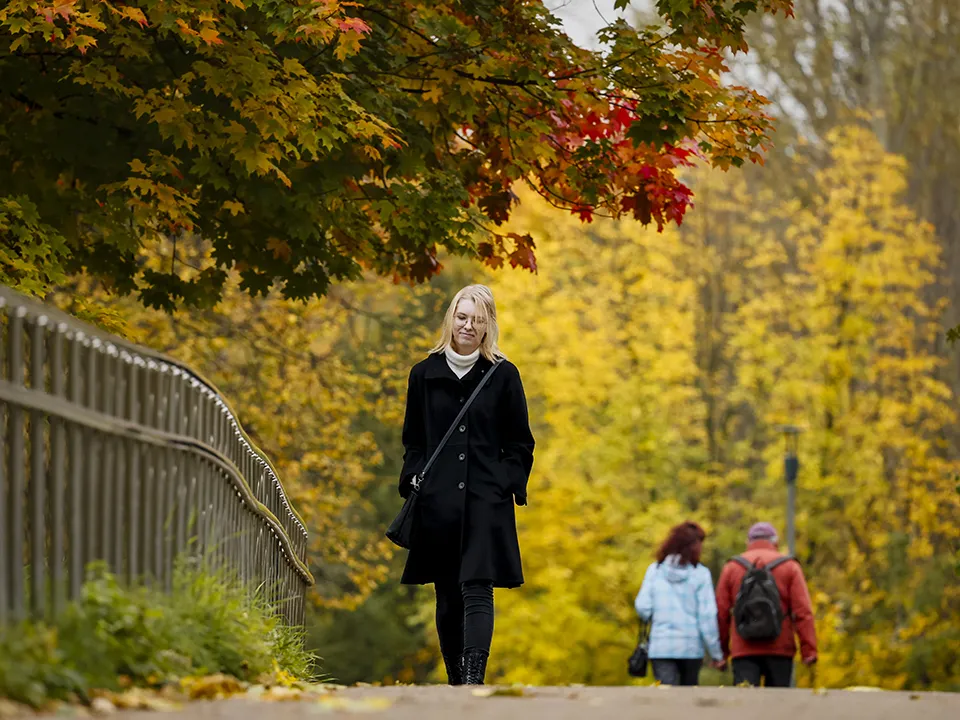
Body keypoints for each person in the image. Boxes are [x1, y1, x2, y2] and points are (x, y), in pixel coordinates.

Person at [398, 284, 535, 686]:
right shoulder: (423, 374)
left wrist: (505, 483)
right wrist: (413, 477)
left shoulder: (503, 375)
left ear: (488, 324)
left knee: (478, 588)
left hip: (484, 501)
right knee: (447, 594)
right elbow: (414, 440)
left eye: (477, 319)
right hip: (438, 502)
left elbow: (520, 441)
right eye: (462, 317)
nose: (468, 326)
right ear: (450, 319)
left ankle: (474, 679)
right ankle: (456, 679)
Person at [715, 522, 817, 688]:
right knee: (778, 709)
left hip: (743, 649)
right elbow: (803, 612)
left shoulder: (732, 567)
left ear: (749, 543)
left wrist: (721, 653)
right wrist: (809, 650)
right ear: (775, 542)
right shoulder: (790, 567)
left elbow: (721, 613)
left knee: (744, 705)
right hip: (780, 648)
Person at [634, 521, 725, 686]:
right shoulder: (701, 574)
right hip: (691, 648)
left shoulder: (655, 570)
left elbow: (643, 607)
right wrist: (716, 654)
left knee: (666, 697)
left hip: (661, 647)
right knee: (688, 700)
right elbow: (707, 618)